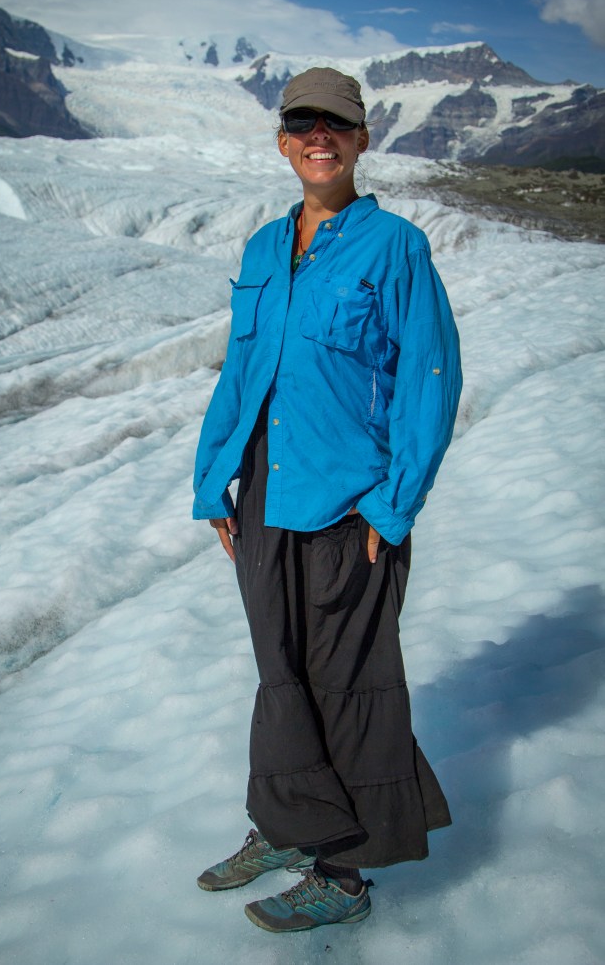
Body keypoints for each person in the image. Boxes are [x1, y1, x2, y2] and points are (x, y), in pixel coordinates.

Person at [192, 67, 462, 934]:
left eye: (336, 125)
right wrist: (212, 481)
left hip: (352, 501)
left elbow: (430, 377)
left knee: (350, 683)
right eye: (303, 123)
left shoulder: (394, 246)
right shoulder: (265, 249)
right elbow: (240, 372)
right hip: (265, 490)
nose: (320, 137)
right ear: (283, 141)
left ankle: (342, 874)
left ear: (360, 141)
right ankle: (285, 827)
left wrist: (396, 504)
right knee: (283, 673)